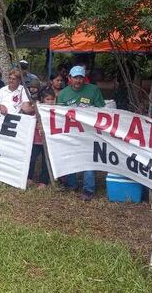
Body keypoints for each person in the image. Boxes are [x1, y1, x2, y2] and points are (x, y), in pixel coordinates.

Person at [57, 65, 105, 201]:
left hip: (89, 131)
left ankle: (89, 189)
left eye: (81, 78)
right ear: (69, 78)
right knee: (71, 157)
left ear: (85, 79)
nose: (78, 80)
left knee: (88, 159)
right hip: (71, 132)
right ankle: (71, 184)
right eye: (75, 77)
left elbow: (102, 110)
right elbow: (58, 115)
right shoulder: (62, 94)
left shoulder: (94, 90)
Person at [29, 89, 55, 188]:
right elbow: (32, 120)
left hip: (48, 141)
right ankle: (28, 178)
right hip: (36, 140)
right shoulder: (37, 109)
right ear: (42, 100)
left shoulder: (56, 111)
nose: (50, 102)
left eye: (52, 99)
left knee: (46, 161)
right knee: (31, 159)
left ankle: (43, 181)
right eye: (47, 99)